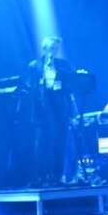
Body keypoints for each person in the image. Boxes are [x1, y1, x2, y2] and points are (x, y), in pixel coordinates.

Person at [24, 36, 78, 186]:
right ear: (45, 49)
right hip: (42, 110)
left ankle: (57, 176)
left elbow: (72, 83)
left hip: (60, 108)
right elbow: (30, 86)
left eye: (56, 48)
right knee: (42, 143)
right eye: (52, 48)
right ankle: (40, 177)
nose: (54, 51)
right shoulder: (34, 65)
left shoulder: (64, 65)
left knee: (60, 142)